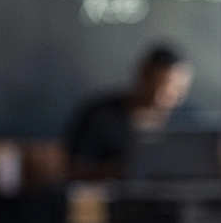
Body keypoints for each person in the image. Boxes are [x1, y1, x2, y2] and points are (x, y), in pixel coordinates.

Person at [65, 44, 195, 179]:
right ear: (143, 75)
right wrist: (125, 169)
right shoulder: (99, 115)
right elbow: (74, 170)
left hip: (177, 198)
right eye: (163, 87)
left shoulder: (191, 120)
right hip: (113, 195)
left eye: (179, 89)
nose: (171, 95)